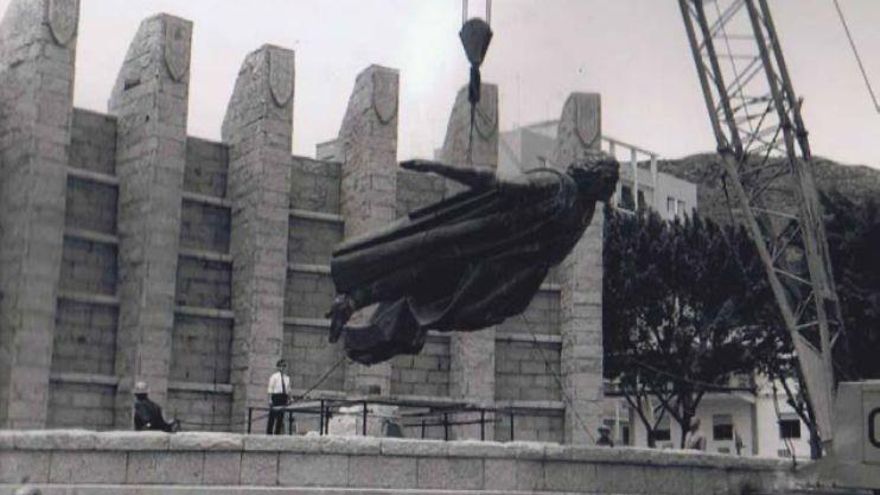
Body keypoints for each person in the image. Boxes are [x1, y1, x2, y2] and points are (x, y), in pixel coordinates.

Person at [326, 152, 619, 365]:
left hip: (506, 270)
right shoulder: (555, 185)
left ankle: (362, 314)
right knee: (423, 274)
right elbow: (492, 182)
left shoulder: (584, 209)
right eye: (610, 180)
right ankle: (353, 302)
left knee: (442, 303)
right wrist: (439, 167)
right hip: (480, 243)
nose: (612, 189)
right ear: (594, 175)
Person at [266, 359, 292, 435]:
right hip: (276, 396)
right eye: (281, 366)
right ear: (278, 367)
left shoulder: (287, 378)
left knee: (280, 416)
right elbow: (270, 388)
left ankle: (277, 432)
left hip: (283, 397)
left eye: (284, 366)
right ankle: (269, 433)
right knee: (272, 416)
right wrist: (270, 399)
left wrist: (290, 398)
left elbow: (288, 389)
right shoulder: (274, 377)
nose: (282, 368)